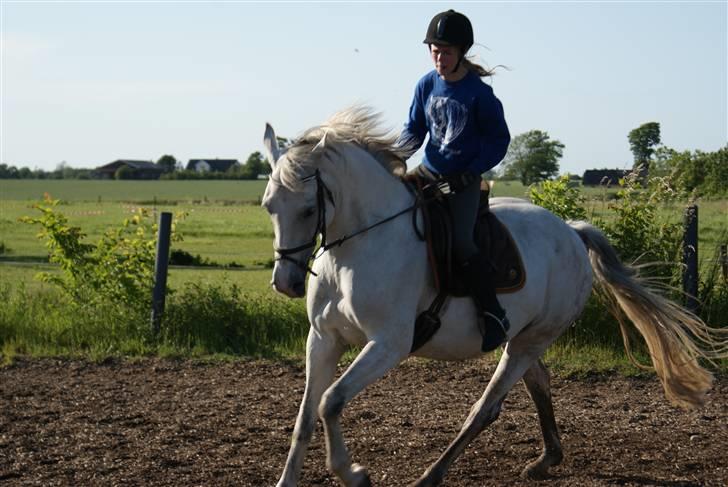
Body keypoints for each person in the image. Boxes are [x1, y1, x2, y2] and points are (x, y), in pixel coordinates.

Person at [397, 9, 511, 351]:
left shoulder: (479, 94)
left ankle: (493, 314)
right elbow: (414, 130)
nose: (439, 58)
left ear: (461, 52)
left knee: (462, 242)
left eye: (446, 52)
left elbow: (498, 141)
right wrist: (392, 157)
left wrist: (471, 171)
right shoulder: (425, 84)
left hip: (463, 182)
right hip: (428, 172)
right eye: (434, 50)